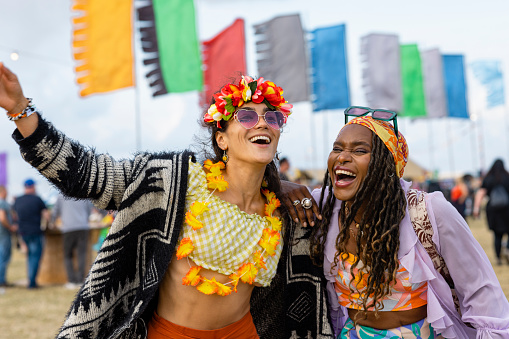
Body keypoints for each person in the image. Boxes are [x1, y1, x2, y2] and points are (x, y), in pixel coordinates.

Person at [0, 62, 332, 339]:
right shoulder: (172, 182)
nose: (262, 122)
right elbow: (86, 173)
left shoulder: (286, 211)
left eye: (272, 117)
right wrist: (19, 109)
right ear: (221, 139)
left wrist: (285, 186)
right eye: (246, 116)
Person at [292, 106, 509, 338]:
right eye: (337, 148)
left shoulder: (428, 212)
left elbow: (481, 293)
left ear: (387, 165)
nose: (342, 157)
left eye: (360, 150)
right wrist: (283, 185)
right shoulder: (321, 205)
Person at [51, 193, 93, 288]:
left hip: (68, 228)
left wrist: (52, 221)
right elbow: (89, 211)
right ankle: (80, 280)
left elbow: (55, 211)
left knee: (68, 255)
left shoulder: (61, 196)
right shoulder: (83, 194)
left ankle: (71, 281)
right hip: (83, 227)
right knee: (81, 254)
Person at [12, 178, 48, 289]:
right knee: (35, 256)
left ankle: (30, 280)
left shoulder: (18, 200)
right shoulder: (37, 199)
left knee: (29, 256)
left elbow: (14, 215)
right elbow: (47, 215)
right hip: (35, 231)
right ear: (32, 187)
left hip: (23, 232)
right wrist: (47, 225)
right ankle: (32, 282)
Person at [473, 159, 509, 265]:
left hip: (493, 211)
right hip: (507, 210)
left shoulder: (488, 179)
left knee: (497, 235)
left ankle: (498, 257)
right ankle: (507, 248)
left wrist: (476, 209)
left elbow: (480, 194)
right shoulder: (507, 177)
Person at [0, 185, 17, 286]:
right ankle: (1, 280)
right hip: (4, 233)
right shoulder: (2, 203)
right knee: (4, 256)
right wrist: (10, 227)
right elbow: (2, 218)